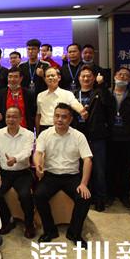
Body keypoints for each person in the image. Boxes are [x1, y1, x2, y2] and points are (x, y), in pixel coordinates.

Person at [34, 103, 93, 248]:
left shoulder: (78, 136)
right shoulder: (45, 134)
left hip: (71, 176)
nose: (59, 119)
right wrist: (38, 165)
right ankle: (50, 231)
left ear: (70, 119)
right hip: (51, 175)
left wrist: (83, 184)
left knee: (84, 198)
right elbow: (38, 153)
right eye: (57, 116)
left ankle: (74, 233)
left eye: (64, 117)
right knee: (38, 195)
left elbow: (87, 160)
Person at [0, 107, 36, 238]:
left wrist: (15, 159)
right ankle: (7, 220)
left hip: (23, 172)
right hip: (4, 173)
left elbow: (27, 152)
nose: (11, 119)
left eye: (14, 117)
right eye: (8, 116)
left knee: (25, 195)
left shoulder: (28, 134)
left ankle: (29, 224)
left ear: (20, 119)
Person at [73, 65, 113, 212]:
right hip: (78, 137)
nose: (85, 78)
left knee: (99, 169)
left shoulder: (100, 92)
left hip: (97, 136)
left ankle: (100, 199)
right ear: (78, 78)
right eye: (83, 76)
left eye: (89, 76)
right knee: (80, 168)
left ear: (94, 78)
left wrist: (102, 85)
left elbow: (109, 104)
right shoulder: (73, 94)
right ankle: (84, 198)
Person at [106, 67, 130, 210]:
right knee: (110, 167)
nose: (122, 77)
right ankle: (110, 194)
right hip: (110, 136)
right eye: (120, 74)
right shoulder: (107, 94)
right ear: (115, 76)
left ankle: (124, 195)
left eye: (126, 75)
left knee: (126, 167)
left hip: (127, 137)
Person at [35, 67, 86, 134]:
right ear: (45, 79)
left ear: (59, 78)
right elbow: (38, 115)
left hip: (61, 127)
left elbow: (75, 104)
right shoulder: (40, 95)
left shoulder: (67, 94)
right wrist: (37, 133)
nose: (50, 78)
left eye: (53, 75)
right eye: (48, 76)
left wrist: (82, 111)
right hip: (44, 129)